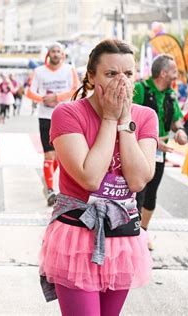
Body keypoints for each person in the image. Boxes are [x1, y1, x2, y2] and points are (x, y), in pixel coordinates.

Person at [38, 39, 158, 316]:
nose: (121, 83)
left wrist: (125, 120)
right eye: (111, 74)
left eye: (128, 74)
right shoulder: (67, 113)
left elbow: (139, 181)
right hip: (76, 233)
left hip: (122, 234)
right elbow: (90, 177)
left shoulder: (145, 116)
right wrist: (109, 119)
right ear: (91, 76)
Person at [133, 54, 188, 250]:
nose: (176, 75)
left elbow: (176, 120)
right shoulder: (140, 89)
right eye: (174, 71)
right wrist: (152, 141)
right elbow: (131, 121)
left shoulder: (171, 95)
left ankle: (143, 232)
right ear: (164, 73)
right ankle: (133, 232)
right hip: (137, 150)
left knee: (151, 193)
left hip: (159, 153)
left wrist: (180, 130)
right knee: (137, 191)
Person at [26, 42, 79, 206]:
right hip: (45, 116)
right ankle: (49, 190)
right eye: (53, 51)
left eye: (58, 51)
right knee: (49, 155)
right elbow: (29, 92)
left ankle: (47, 176)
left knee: (60, 155)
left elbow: (75, 89)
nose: (56, 54)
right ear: (48, 54)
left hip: (65, 115)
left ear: (63, 55)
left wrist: (57, 97)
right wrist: (43, 99)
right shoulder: (39, 71)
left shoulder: (70, 70)